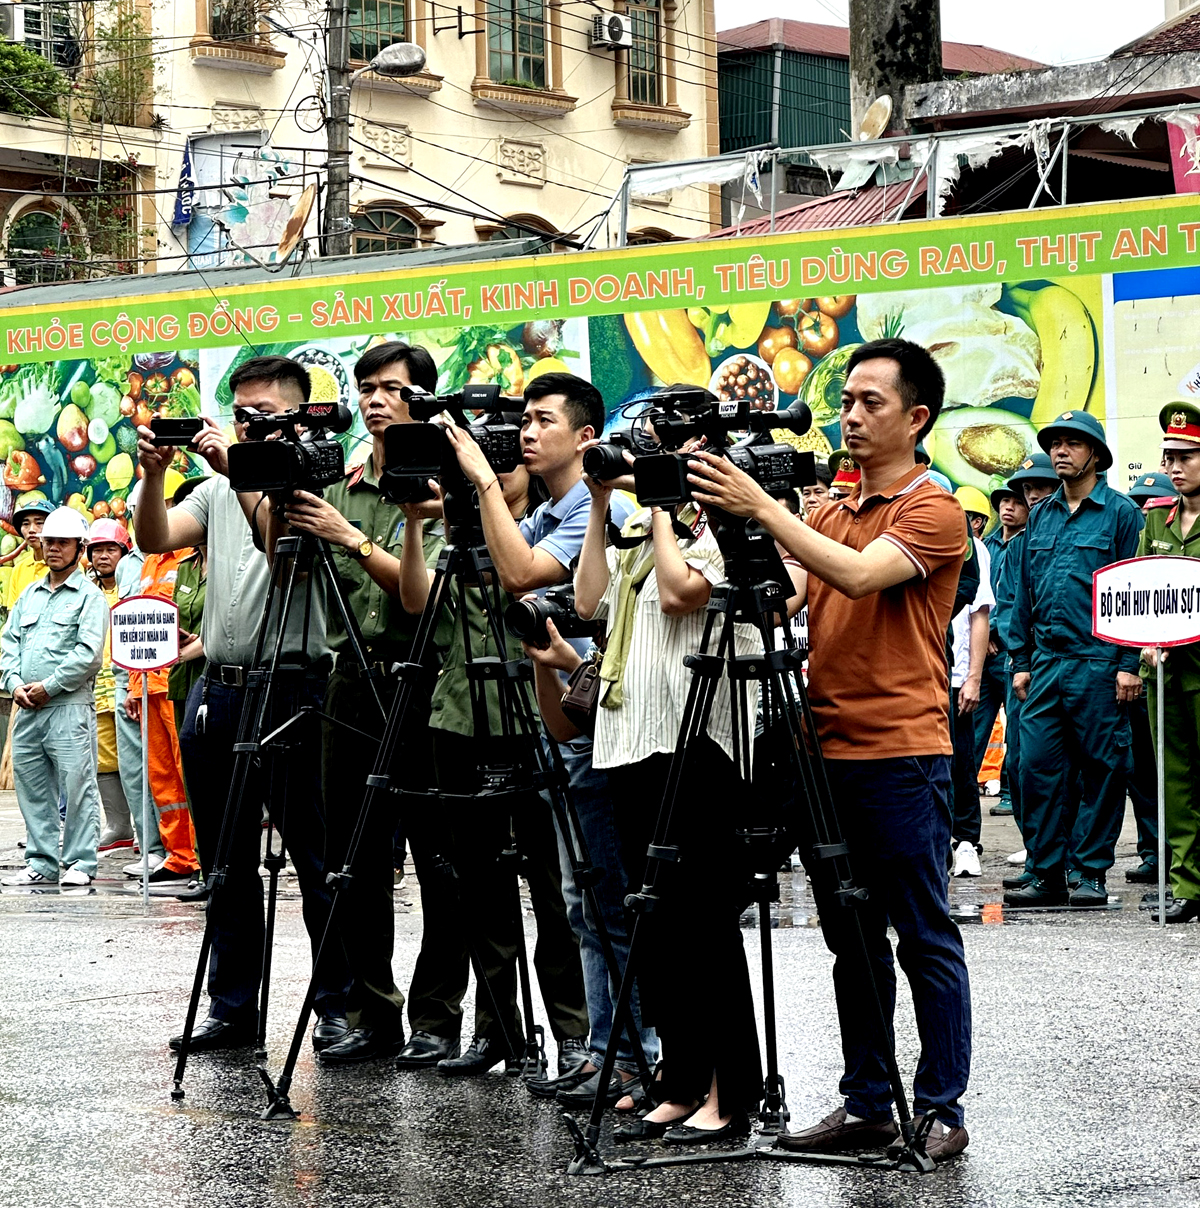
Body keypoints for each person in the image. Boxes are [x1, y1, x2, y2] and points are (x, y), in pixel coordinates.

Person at [688, 337, 971, 1163]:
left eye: (870, 403)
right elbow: (792, 596)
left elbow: (853, 577)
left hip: (900, 749)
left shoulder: (934, 508)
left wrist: (768, 511)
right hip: (823, 747)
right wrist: (732, 521)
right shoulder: (830, 509)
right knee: (852, 938)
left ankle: (942, 1107)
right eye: (845, 400)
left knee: (922, 935)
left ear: (917, 418)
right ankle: (869, 1105)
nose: (849, 416)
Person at [136, 355, 349, 1054]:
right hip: (219, 688)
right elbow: (156, 538)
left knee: (314, 859)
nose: (248, 426)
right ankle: (233, 1010)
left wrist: (241, 469)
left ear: (293, 416)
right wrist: (154, 473)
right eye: (241, 414)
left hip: (292, 687)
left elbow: (283, 554)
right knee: (223, 862)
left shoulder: (311, 484)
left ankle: (337, 1007)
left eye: (263, 416)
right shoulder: (212, 488)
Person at [393, 371, 601, 1079]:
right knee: (481, 888)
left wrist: (484, 492)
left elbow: (526, 583)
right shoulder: (489, 526)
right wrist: (434, 520)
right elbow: (423, 605)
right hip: (467, 720)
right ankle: (502, 1032)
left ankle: (574, 1036)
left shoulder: (544, 525)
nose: (508, 463)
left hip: (534, 717)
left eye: (510, 458)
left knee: (554, 888)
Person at [573, 402, 766, 1145]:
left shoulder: (727, 521)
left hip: (699, 741)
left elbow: (684, 593)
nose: (652, 462)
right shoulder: (643, 525)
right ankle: (681, 1079)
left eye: (670, 450)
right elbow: (589, 601)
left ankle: (729, 1091)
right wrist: (601, 504)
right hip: (629, 738)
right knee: (655, 920)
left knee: (704, 922)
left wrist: (658, 505)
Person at [279, 340, 446, 1065]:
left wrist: (348, 540)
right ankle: (372, 1011)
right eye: (367, 389)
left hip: (427, 681)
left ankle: (440, 1016)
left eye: (392, 389)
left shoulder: (445, 483)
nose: (376, 401)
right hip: (350, 679)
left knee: (441, 862)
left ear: (422, 400)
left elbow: (422, 591)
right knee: (355, 861)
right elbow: (276, 553)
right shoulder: (339, 484)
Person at [1005, 411, 1143, 907]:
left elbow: (1138, 591)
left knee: (1103, 769)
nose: (1061, 452)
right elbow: (1022, 592)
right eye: (1055, 444)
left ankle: (1089, 873)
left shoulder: (1122, 514)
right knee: (1035, 768)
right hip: (1045, 664)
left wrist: (1129, 663)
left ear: (1096, 456)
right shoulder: (1039, 515)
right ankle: (1046, 873)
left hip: (1100, 663)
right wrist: (1020, 659)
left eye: (1072, 444)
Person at [0, 507, 107, 888]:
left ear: (80, 548)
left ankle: (80, 861)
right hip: (26, 706)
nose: (55, 549)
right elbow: (9, 642)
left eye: (63, 542)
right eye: (50, 542)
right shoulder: (29, 594)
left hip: (67, 706)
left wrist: (49, 686)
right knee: (32, 787)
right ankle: (41, 862)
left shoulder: (89, 597)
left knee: (77, 785)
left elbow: (88, 654)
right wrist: (14, 685)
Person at [122, 478, 201, 886]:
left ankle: (203, 855)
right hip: (149, 686)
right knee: (161, 774)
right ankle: (179, 855)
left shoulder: (192, 555)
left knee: (191, 771)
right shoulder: (150, 560)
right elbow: (138, 627)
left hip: (181, 680)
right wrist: (135, 686)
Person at [1139, 402, 1200, 922]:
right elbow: (1143, 586)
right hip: (1164, 669)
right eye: (1169, 456)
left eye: (1186, 456)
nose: (1174, 466)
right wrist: (1145, 639)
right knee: (1173, 779)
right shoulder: (1157, 516)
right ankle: (1187, 883)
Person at [85, 519, 136, 854]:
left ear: (124, 551)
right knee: (104, 760)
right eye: (97, 550)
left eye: (110, 549)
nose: (103, 556)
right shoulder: (84, 590)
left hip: (130, 686)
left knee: (139, 758)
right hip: (95, 689)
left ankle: (154, 830)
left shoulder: (135, 585)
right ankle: (119, 826)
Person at [949, 532, 992, 877]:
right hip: (899, 673)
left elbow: (979, 613)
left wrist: (973, 677)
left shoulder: (969, 545)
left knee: (961, 760)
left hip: (953, 673)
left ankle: (965, 842)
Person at [5, 499, 52, 610]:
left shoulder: (66, 567)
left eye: (39, 523)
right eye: (26, 524)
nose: (31, 530)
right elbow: (12, 614)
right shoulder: (19, 570)